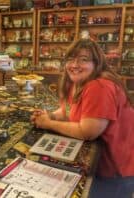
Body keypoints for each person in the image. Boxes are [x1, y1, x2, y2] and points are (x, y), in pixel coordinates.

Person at [31, 39, 134, 197]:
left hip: (116, 168)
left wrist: (48, 123)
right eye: (70, 59)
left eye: (83, 59)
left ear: (97, 63)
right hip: (102, 163)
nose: (75, 64)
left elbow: (87, 131)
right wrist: (50, 115)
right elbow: (67, 110)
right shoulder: (78, 82)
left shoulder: (99, 86)